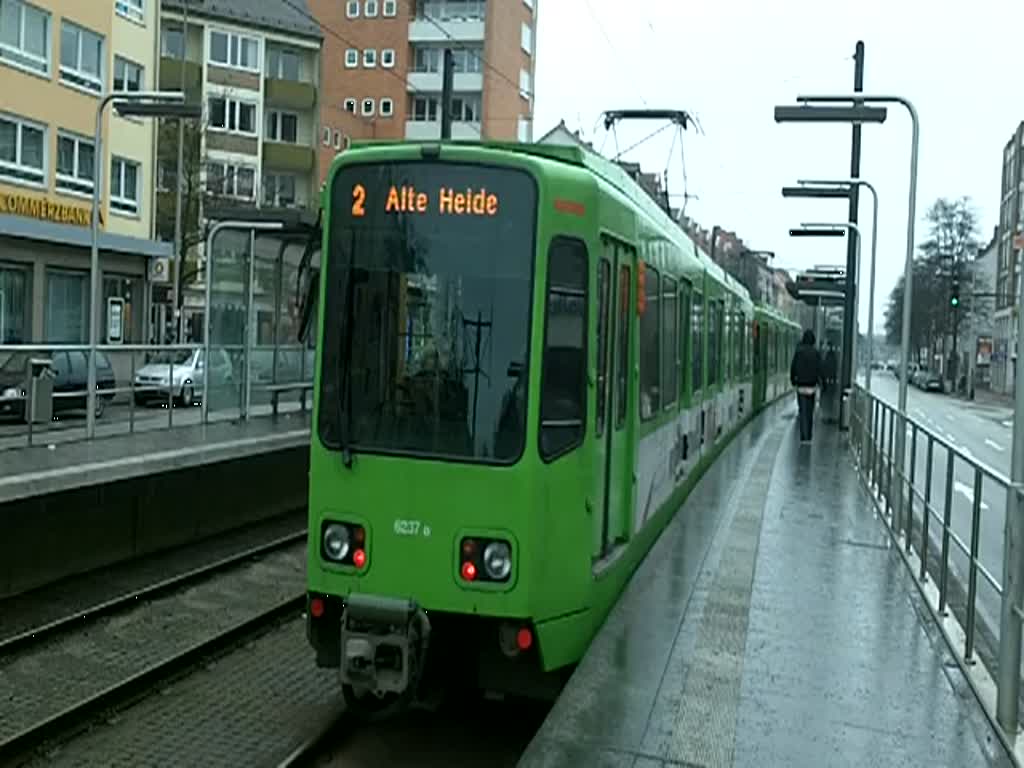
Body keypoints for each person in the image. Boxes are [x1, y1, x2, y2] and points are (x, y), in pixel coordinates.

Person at [790, 329, 822, 443]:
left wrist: (793, 380)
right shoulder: (816, 353)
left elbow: (793, 368)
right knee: (810, 410)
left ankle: (804, 435)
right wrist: (820, 382)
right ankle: (809, 434)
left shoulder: (799, 352)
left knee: (802, 409)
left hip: (801, 385)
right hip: (812, 386)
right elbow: (820, 369)